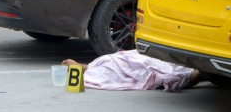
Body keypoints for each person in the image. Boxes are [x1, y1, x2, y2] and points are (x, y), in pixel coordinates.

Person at [61, 50, 203, 92]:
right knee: (157, 70)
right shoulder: (93, 74)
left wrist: (78, 65)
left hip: (129, 60)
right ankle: (196, 74)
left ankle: (197, 73)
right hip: (127, 67)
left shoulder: (94, 69)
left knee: (153, 63)